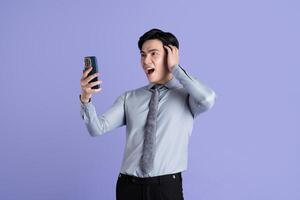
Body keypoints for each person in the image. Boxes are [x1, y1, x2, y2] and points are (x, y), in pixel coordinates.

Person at [79, 28, 217, 200]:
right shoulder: (129, 98)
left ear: (170, 55)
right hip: (128, 187)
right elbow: (97, 129)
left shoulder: (188, 96)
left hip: (166, 188)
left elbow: (207, 99)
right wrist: (86, 99)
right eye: (143, 55)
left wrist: (176, 68)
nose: (146, 61)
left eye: (154, 54)